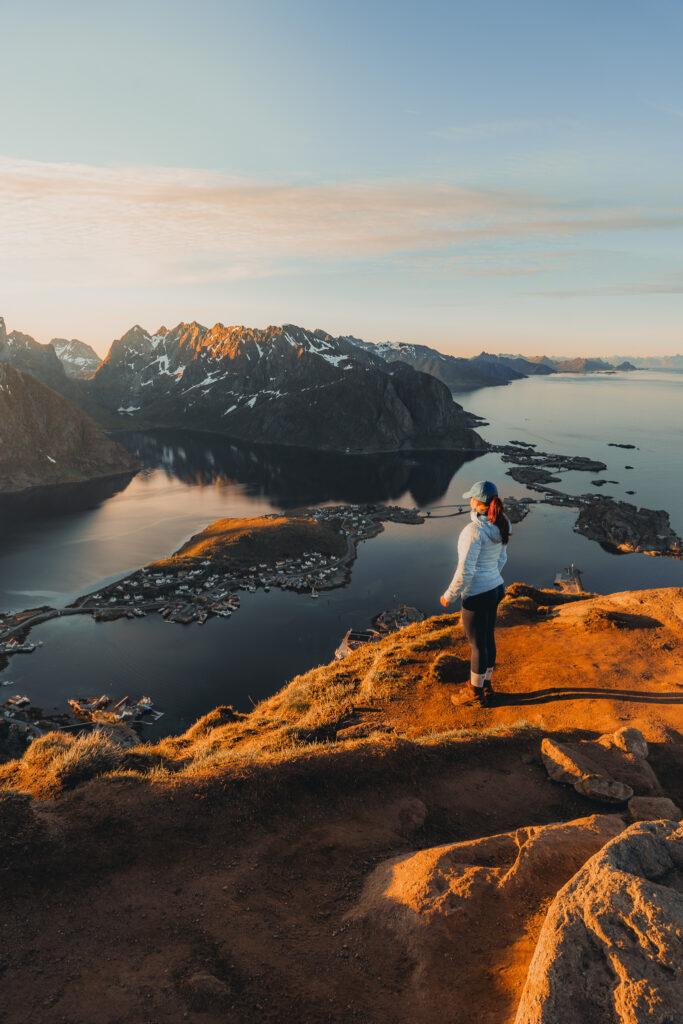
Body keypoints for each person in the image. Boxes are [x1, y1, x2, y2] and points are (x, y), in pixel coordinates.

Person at [440, 480, 510, 707]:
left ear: (478, 503)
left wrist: (449, 594)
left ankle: (475, 692)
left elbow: (465, 570)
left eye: (471, 497)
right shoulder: (501, 523)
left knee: (477, 645)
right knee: (488, 637)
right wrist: (490, 579)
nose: (469, 500)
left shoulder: (473, 531)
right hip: (495, 588)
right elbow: (502, 558)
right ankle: (485, 684)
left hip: (478, 594)